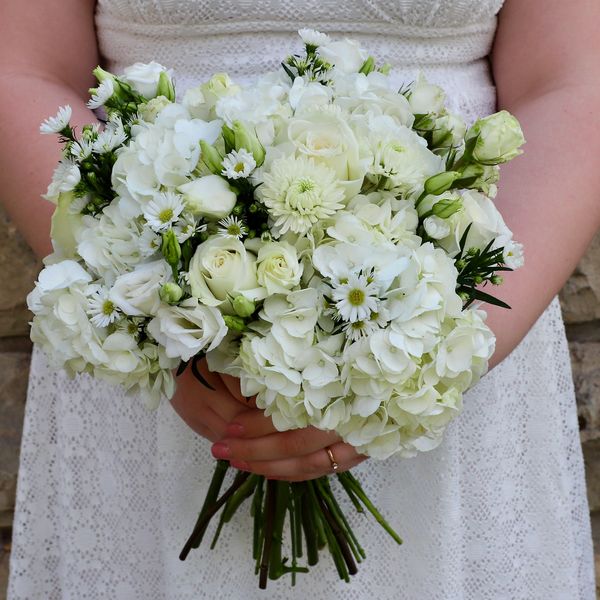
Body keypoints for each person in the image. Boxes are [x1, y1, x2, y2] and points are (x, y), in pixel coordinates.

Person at [2, 0, 598, 598]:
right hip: (149, 319)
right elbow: (24, 67)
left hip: (444, 317)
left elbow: (570, 81)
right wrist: (166, 330)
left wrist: (429, 355)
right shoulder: (158, 325)